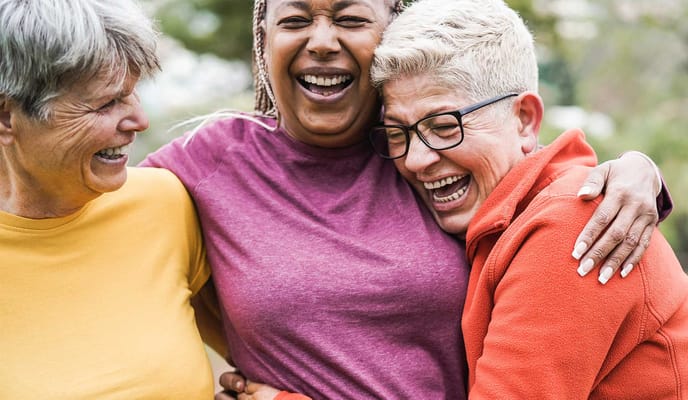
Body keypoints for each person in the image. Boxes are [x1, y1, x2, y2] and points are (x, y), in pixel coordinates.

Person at [142, 1, 670, 399]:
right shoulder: (213, 161)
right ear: (263, 38)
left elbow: (528, 163)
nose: (418, 158)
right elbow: (92, 215)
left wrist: (635, 173)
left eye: (349, 18)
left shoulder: (571, 221)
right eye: (295, 18)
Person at [366, 0, 687, 397]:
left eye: (445, 126)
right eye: (398, 135)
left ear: (525, 120)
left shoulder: (574, 225)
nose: (416, 160)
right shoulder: (504, 212)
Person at [0, 1, 224, 398]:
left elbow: (266, 353)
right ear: (7, 117)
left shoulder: (165, 202)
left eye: (133, 94)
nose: (140, 121)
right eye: (106, 103)